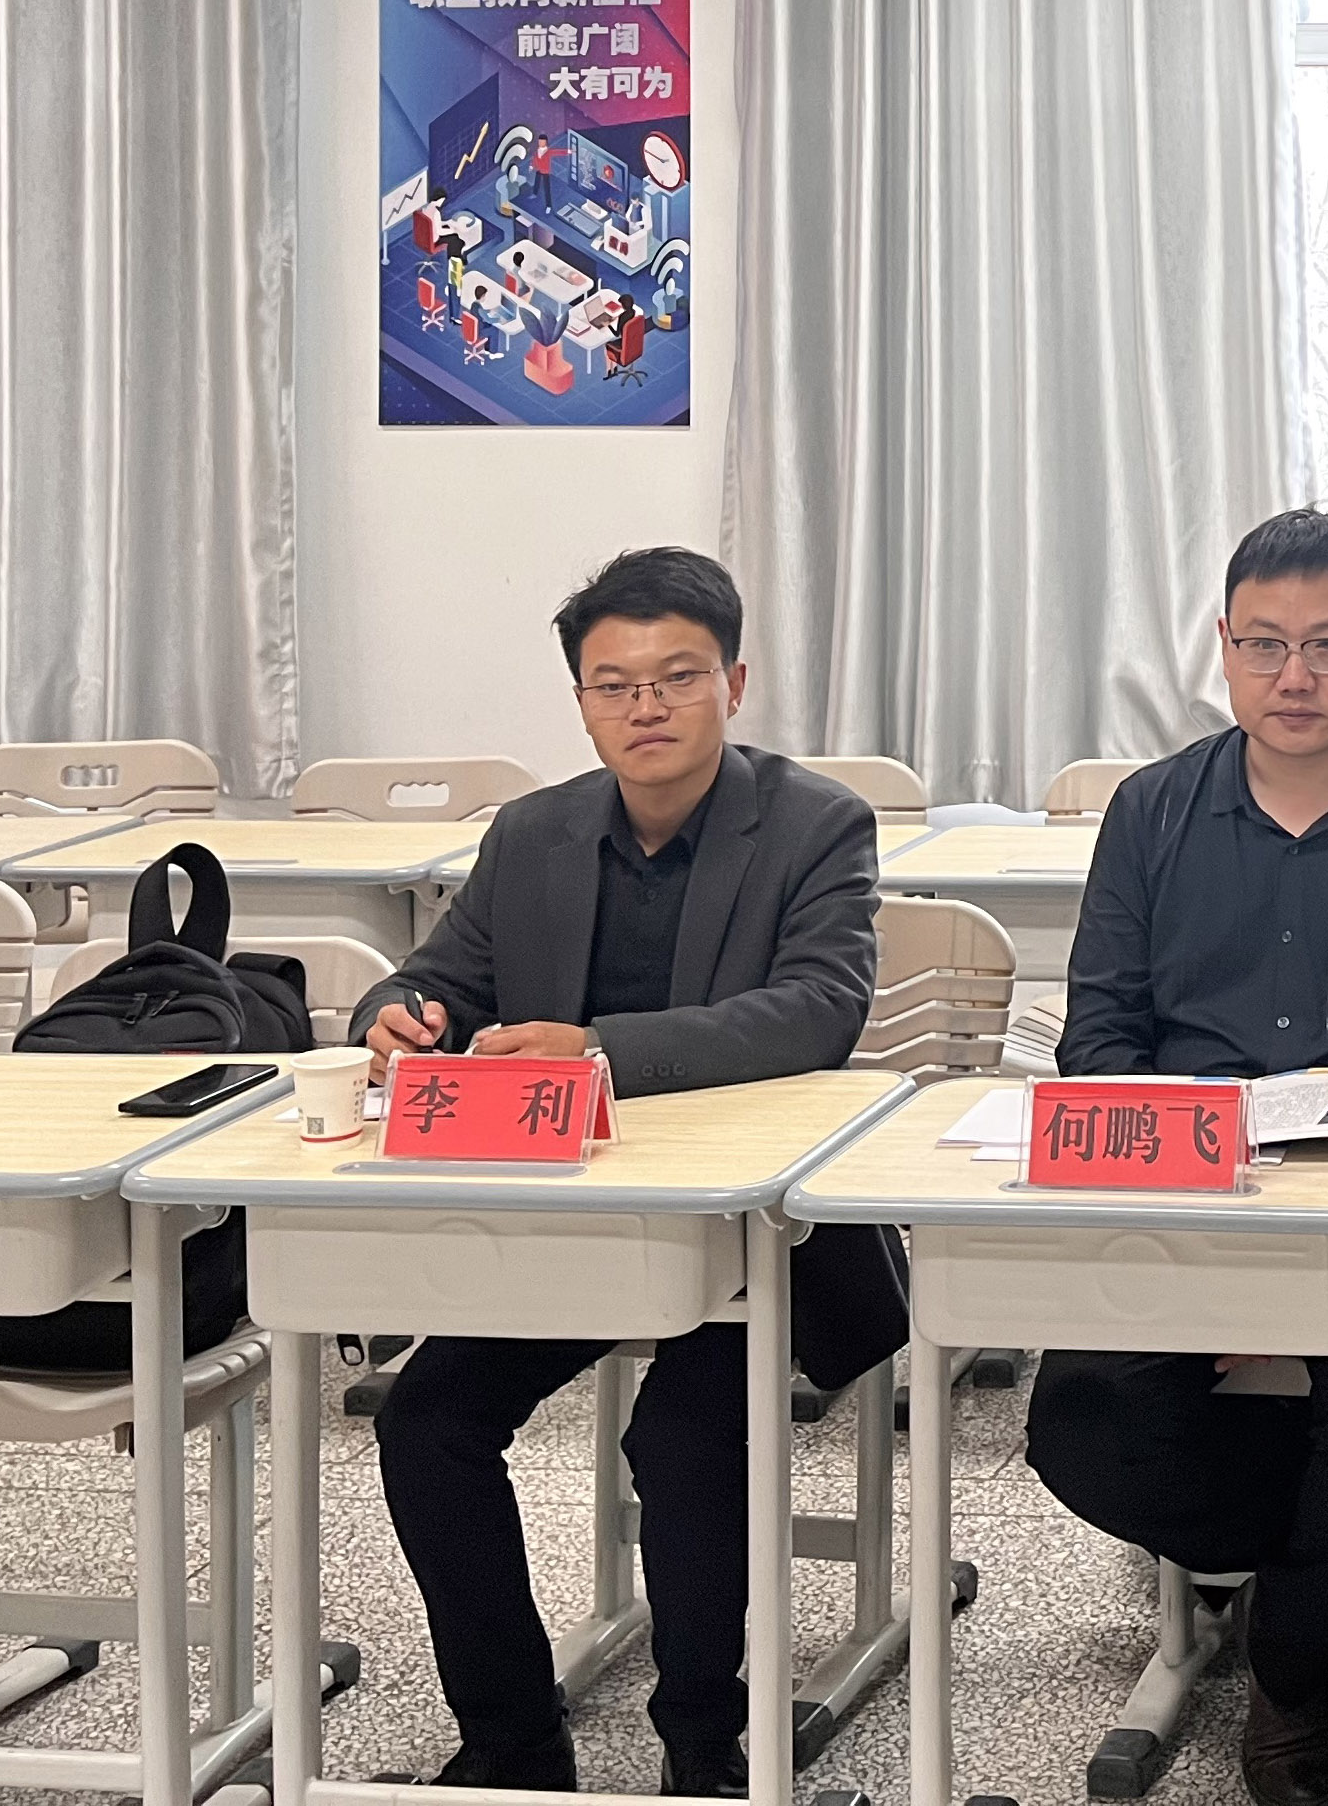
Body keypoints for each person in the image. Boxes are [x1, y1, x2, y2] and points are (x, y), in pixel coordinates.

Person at [355, 546, 890, 1798]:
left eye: (677, 677)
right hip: (575, 1222)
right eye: (614, 685)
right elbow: (446, 973)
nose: (646, 707)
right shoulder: (534, 831)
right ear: (582, 702)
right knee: (426, 1422)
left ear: (733, 684)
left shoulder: (815, 824)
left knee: (683, 1439)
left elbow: (819, 1009)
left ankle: (702, 1746)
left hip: (756, 1235)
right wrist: (398, 1013)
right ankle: (512, 1741)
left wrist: (597, 1051)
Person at [1026, 508, 1328, 1806]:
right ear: (1223, 646)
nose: (1293, 675)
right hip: (1184, 1204)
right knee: (1083, 1424)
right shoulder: (1150, 811)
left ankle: (1287, 1658)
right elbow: (1098, 1044)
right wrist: (1224, 1235)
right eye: (1263, 643)